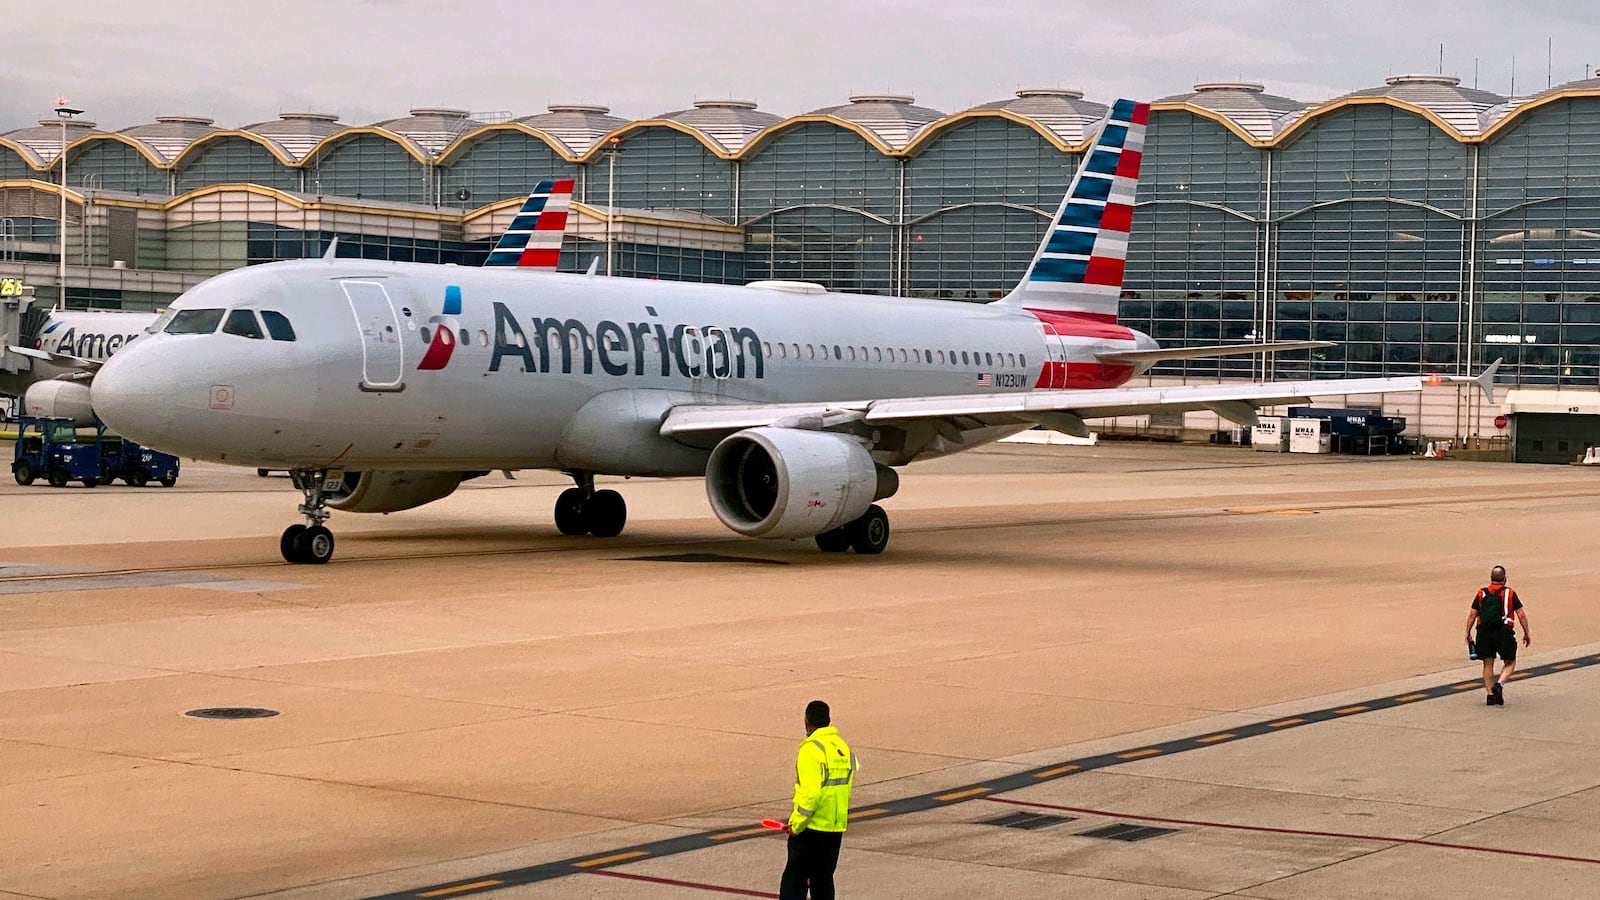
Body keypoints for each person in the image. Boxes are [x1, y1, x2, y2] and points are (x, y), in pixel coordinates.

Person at [780, 700, 858, 900]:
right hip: (834, 827)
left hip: (811, 828)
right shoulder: (843, 748)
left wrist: (796, 825)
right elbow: (846, 788)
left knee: (794, 881)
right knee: (823, 881)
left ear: (807, 722)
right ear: (829, 721)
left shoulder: (811, 750)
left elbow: (810, 795)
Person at [1465, 565, 1531, 706]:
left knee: (1488, 663)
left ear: (1491, 579)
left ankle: (1490, 695)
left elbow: (1472, 614)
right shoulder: (1510, 593)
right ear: (1505, 579)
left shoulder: (1481, 593)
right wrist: (1526, 633)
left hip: (1484, 631)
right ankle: (1499, 684)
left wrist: (1468, 632)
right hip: (1503, 631)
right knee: (1510, 661)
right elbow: (1521, 615)